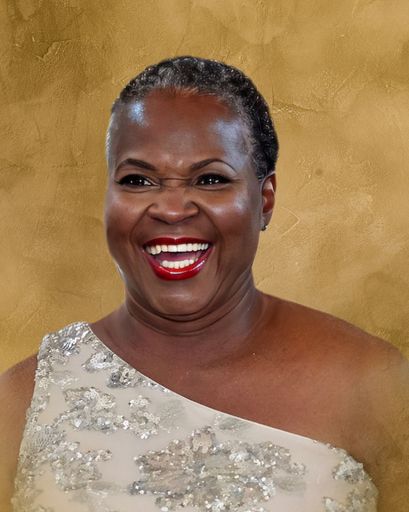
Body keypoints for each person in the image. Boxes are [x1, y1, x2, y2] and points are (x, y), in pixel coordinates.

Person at [1, 56, 408, 512]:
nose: (172, 209)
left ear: (265, 200)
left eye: (211, 179)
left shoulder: (371, 382)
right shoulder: (24, 399)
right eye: (138, 180)